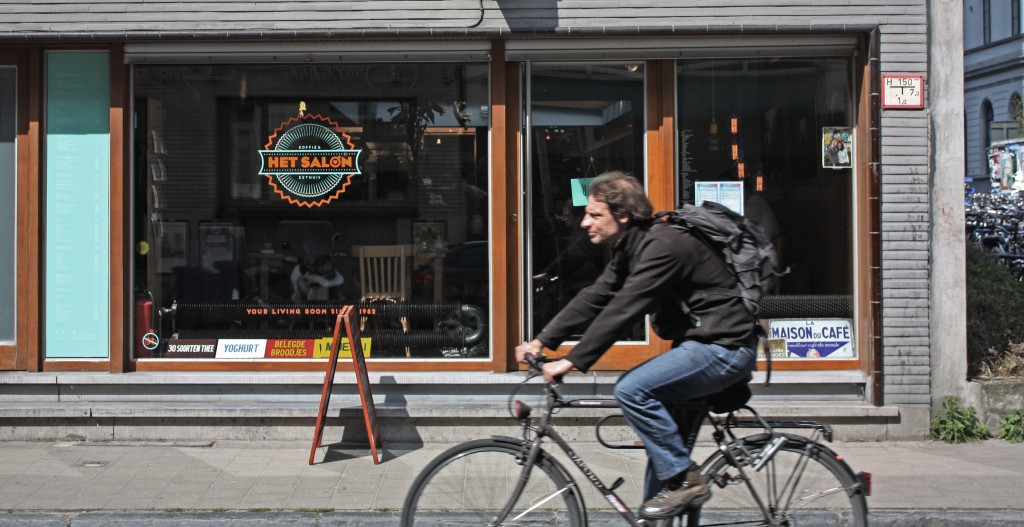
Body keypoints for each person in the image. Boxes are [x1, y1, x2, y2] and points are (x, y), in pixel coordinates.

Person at [515, 171, 758, 520]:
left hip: (723, 349)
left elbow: (626, 306)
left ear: (623, 215)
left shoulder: (664, 246)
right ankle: (670, 495)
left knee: (631, 389)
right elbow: (597, 296)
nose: (584, 222)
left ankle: (688, 482)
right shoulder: (635, 245)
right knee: (664, 459)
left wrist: (570, 361)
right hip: (703, 346)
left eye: (595, 214)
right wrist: (542, 340)